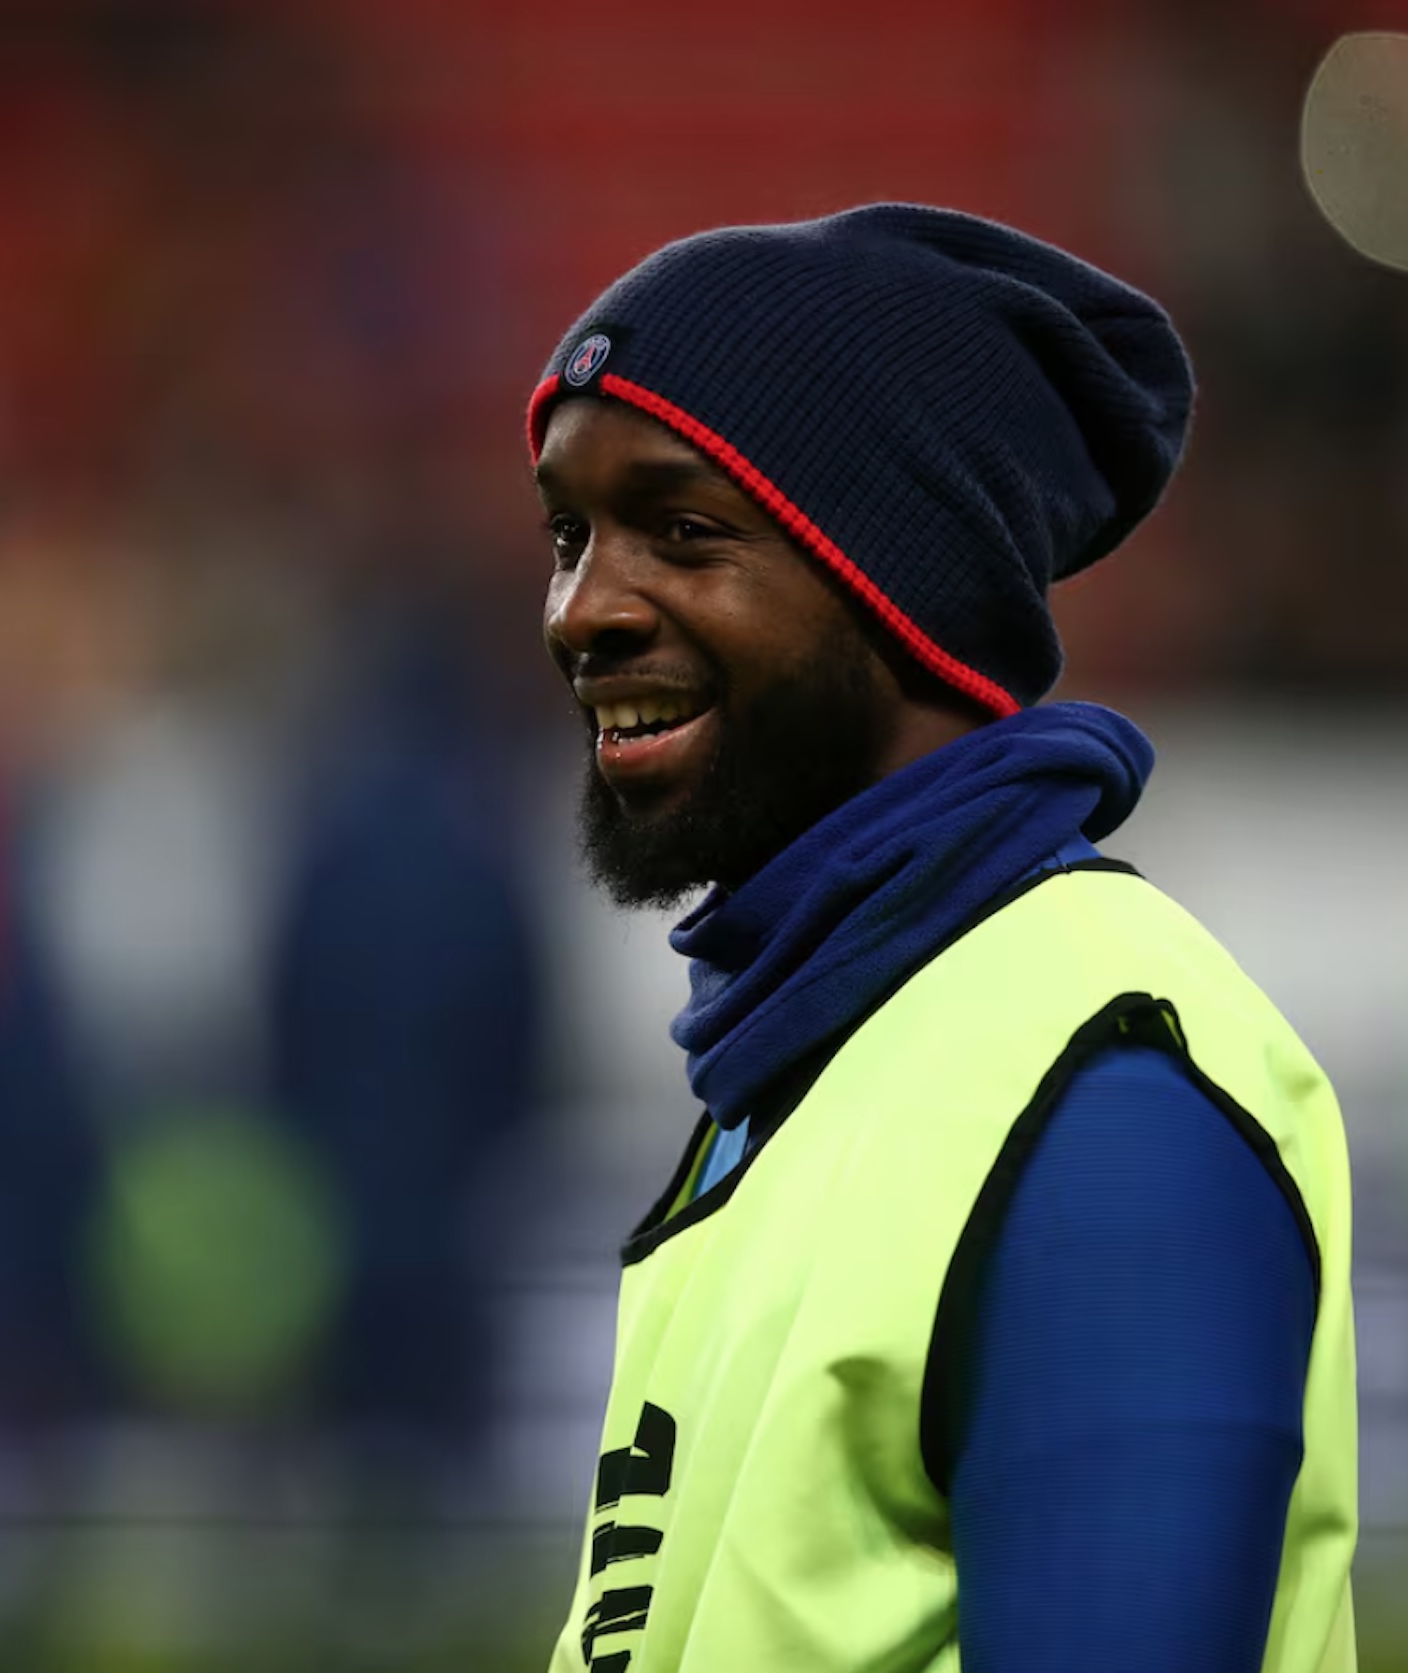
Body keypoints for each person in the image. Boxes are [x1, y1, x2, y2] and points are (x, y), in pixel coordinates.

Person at [526, 205, 1357, 1673]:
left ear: (897, 580)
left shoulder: (1100, 1090)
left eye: (683, 530)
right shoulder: (814, 1055)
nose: (583, 609)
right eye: (570, 532)